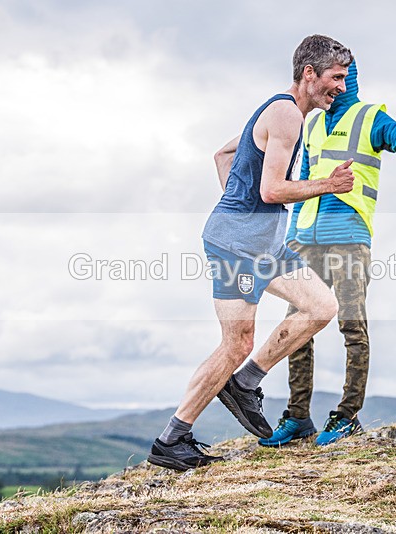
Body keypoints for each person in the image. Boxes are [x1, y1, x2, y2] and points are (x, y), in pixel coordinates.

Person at [147, 35, 356, 471]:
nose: (341, 86)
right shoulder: (285, 114)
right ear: (309, 74)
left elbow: (225, 153)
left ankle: (246, 382)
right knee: (236, 342)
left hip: (263, 243)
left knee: (321, 306)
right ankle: (172, 439)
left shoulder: (282, 112)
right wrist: (328, 186)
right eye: (336, 78)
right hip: (237, 246)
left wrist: (239, 200)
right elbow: (272, 189)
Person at [258, 59, 396, 448]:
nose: (336, 85)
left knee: (351, 326)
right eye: (332, 76)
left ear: (348, 78)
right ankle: (298, 417)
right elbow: (302, 178)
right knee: (297, 328)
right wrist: (290, 234)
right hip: (305, 238)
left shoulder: (369, 117)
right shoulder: (312, 123)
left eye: (342, 76)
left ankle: (346, 415)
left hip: (349, 238)